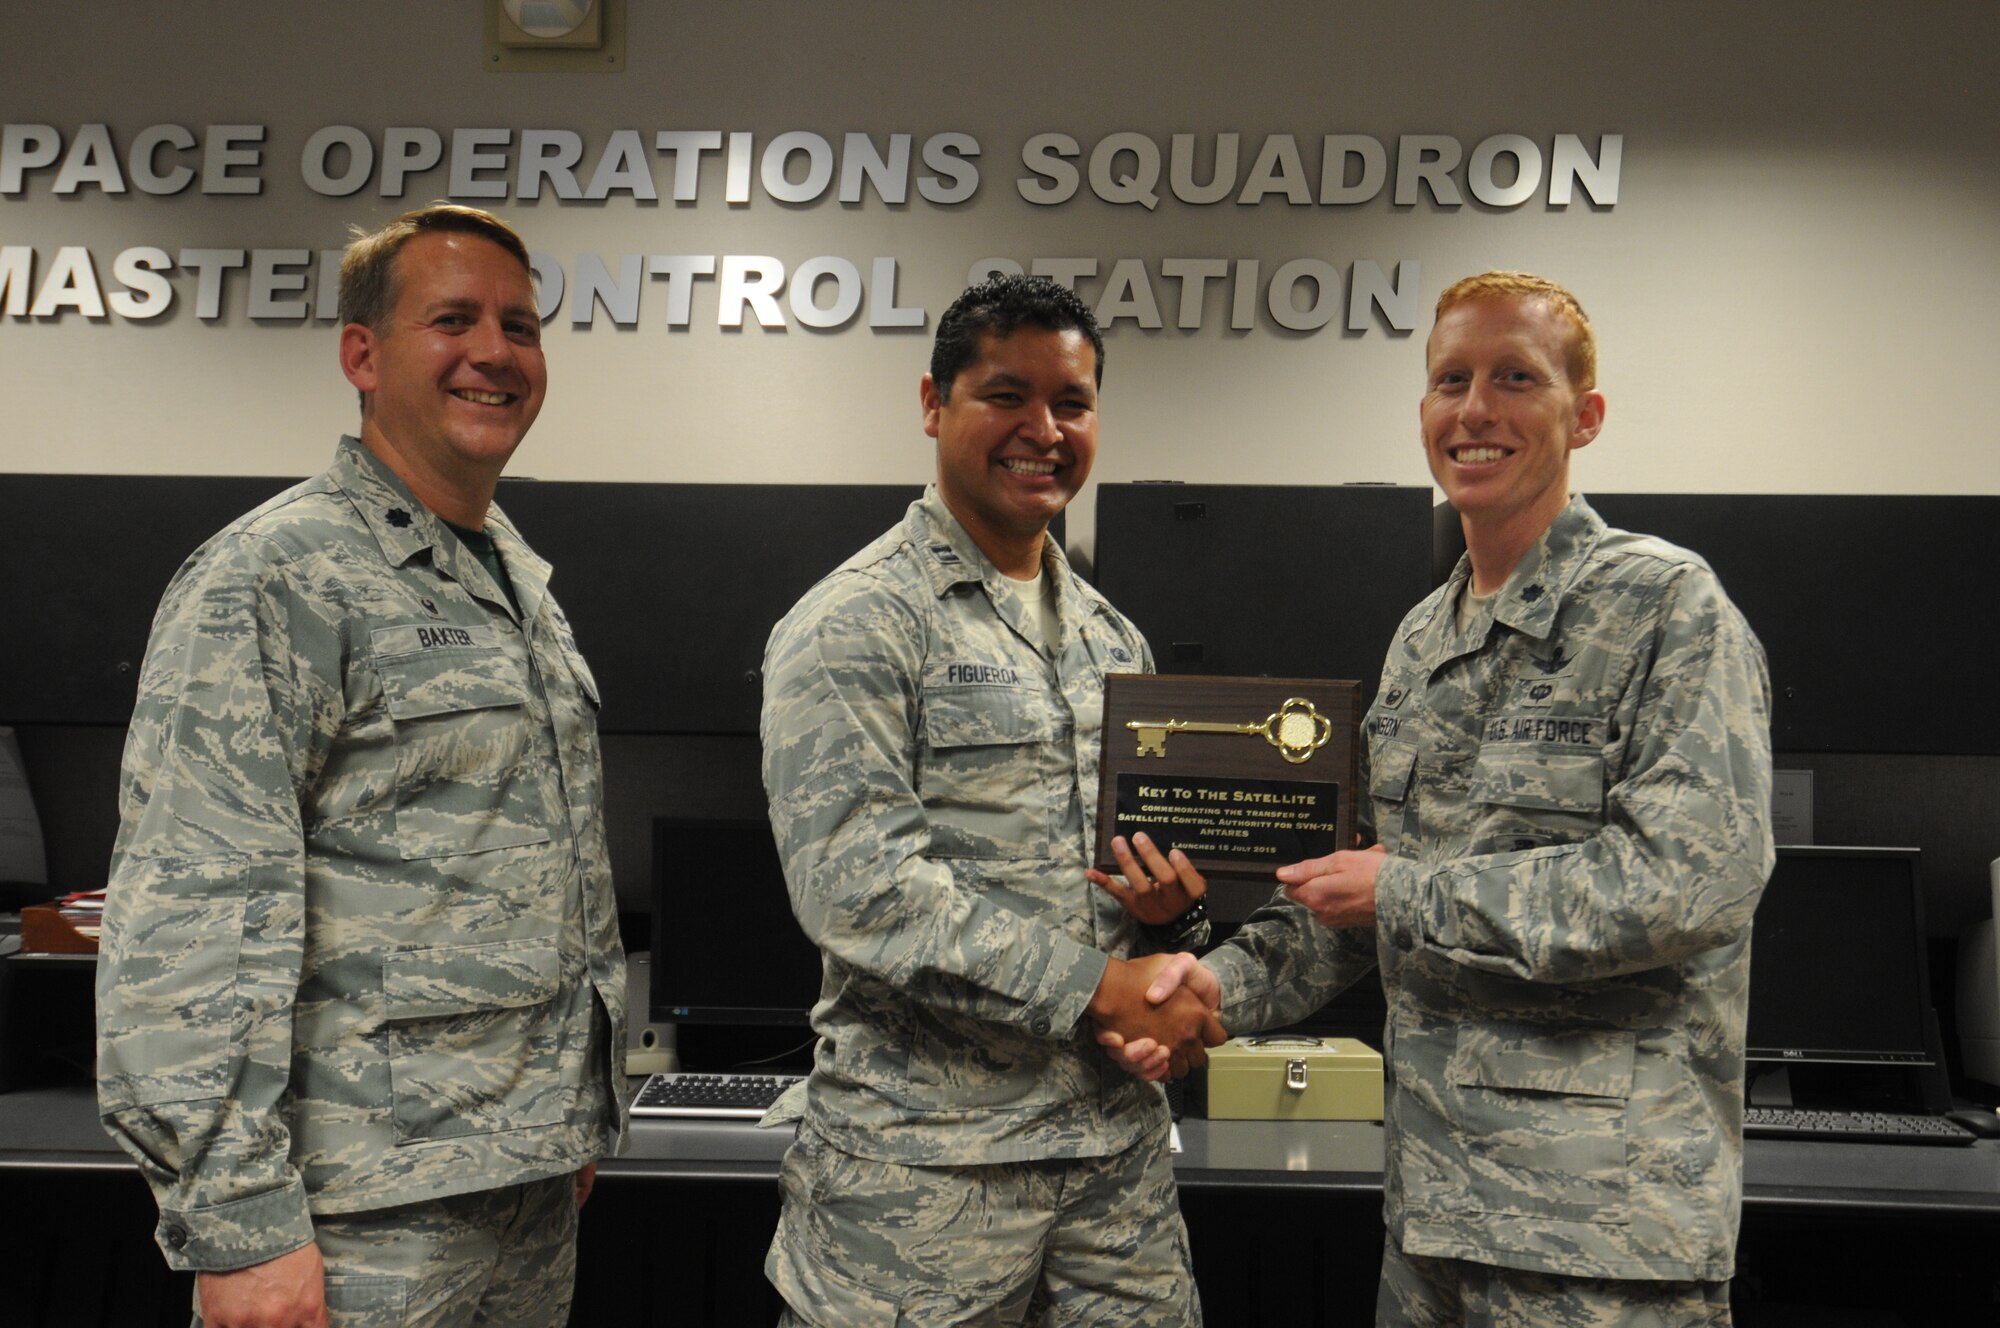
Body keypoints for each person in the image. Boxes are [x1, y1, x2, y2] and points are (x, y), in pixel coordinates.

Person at [1119, 271, 1774, 1326]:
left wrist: (1408, 892)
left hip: (1601, 1237)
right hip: (1429, 1222)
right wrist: (1206, 993)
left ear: (1585, 415)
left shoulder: (1666, 607)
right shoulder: (1422, 638)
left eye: (1514, 377)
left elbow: (1689, 884)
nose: (1473, 409)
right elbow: (1349, 897)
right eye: (1448, 380)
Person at [95, 204, 626, 1328]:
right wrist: (237, 1218)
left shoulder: (514, 583)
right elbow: (193, 912)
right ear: (361, 353)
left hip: (520, 1183)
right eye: (452, 319)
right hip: (353, 1213)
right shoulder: (275, 574)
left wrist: (564, 1112)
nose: (494, 351)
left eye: (520, 325)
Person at [758, 274, 1224, 1325]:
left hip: (1113, 1172)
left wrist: (1172, 925)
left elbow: (1135, 892)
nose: (1042, 430)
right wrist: (1103, 984)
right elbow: (860, 889)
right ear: (933, 403)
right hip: (922, 1183)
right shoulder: (855, 624)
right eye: (1005, 395)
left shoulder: (1114, 640)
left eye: (1072, 402)